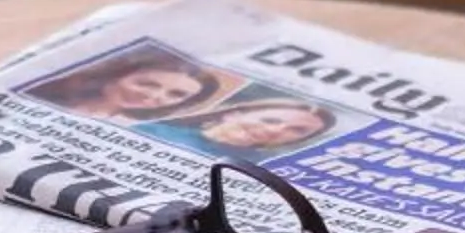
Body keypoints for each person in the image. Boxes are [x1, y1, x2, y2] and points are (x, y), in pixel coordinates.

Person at [28, 57, 222, 123]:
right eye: (147, 83)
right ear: (117, 74)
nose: (154, 96)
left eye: (176, 95)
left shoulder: (133, 126)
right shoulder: (43, 92)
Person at [153, 96, 343, 160]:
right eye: (270, 120)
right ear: (234, 114)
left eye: (297, 131)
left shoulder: (260, 167)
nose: (276, 130)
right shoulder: (154, 129)